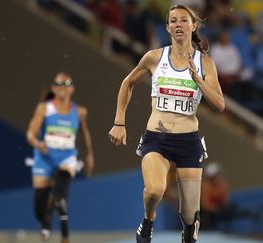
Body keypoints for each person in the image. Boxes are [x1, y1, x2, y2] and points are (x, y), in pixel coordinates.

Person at [108, 4, 225, 243]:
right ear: (168, 27)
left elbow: (220, 104)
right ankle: (148, 220)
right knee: (154, 190)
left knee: (190, 216)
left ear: (194, 26)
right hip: (157, 138)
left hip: (188, 142)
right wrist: (119, 122)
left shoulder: (205, 63)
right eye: (173, 21)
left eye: (184, 20)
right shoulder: (154, 57)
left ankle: (189, 232)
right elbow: (127, 83)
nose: (178, 24)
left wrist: (198, 81)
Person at [26, 72, 95, 243]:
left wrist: (90, 155)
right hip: (45, 157)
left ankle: (58, 227)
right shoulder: (44, 108)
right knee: (38, 210)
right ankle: (47, 217)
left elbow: (84, 133)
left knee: (60, 192)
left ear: (72, 89)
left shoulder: (80, 112)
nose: (62, 86)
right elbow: (30, 134)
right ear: (53, 88)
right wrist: (38, 144)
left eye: (67, 83)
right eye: (58, 83)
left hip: (67, 157)